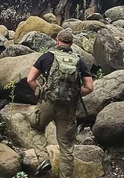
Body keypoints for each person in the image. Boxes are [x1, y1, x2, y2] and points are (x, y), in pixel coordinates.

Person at [26, 28, 93, 177]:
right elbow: (89, 87)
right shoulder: (79, 61)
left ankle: (44, 159)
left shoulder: (46, 57)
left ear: (57, 41)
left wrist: (41, 92)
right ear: (72, 43)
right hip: (68, 109)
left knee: (36, 127)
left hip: (47, 104)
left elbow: (30, 79)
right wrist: (74, 95)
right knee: (66, 147)